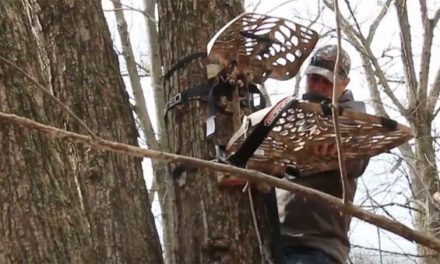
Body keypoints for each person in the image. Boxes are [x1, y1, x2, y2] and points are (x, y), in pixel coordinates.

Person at [277, 44, 369, 264]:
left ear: (344, 84)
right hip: (275, 238)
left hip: (317, 247)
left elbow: (359, 159)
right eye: (313, 78)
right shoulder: (291, 116)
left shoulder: (355, 119)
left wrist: (339, 149)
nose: (317, 86)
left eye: (326, 82)